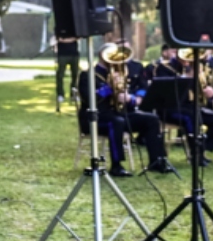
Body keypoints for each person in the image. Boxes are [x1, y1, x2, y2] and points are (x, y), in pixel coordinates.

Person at [78, 44, 170, 176]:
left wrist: (130, 98)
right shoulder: (88, 75)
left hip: (119, 114)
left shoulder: (121, 73)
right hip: (96, 118)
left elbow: (133, 94)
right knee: (117, 122)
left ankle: (157, 161)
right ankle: (116, 166)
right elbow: (89, 99)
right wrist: (109, 88)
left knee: (152, 119)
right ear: (102, 56)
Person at [55, 36, 80, 105]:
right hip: (62, 54)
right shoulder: (59, 26)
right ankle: (60, 94)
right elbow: (58, 38)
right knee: (60, 75)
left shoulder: (74, 27)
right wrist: (72, 39)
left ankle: (74, 94)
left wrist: (65, 39)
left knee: (75, 74)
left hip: (74, 54)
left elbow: (79, 37)